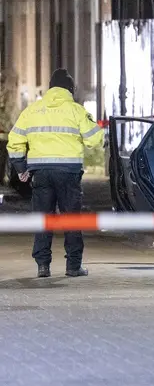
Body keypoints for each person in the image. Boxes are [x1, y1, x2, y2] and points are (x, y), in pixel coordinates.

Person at [7, 69, 104, 278]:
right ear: (70, 89)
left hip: (40, 173)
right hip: (68, 173)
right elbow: (94, 140)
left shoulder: (32, 111)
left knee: (43, 219)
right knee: (72, 219)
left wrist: (21, 169)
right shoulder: (76, 111)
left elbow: (14, 141)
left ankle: (43, 266)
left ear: (51, 88)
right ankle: (73, 267)